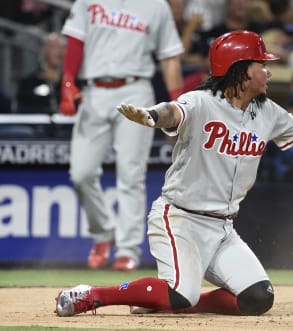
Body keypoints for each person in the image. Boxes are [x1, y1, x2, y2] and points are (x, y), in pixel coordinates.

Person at [54, 30, 293, 317]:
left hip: (223, 228)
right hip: (180, 220)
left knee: (258, 298)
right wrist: (150, 115)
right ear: (240, 70)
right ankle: (92, 295)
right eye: (261, 64)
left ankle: (167, 303)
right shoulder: (202, 102)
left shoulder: (267, 111)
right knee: (179, 293)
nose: (268, 70)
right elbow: (173, 112)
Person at [59, 0, 184, 271]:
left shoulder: (156, 6)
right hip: (93, 91)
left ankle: (127, 250)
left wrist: (177, 103)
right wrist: (67, 82)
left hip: (135, 89)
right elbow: (75, 41)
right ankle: (104, 234)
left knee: (130, 175)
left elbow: (169, 56)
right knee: (80, 173)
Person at [15, 32, 66, 114]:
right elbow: (22, 107)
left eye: (62, 47)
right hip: (38, 124)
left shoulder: (74, 81)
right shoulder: (29, 82)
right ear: (44, 50)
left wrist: (59, 82)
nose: (59, 52)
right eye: (54, 47)